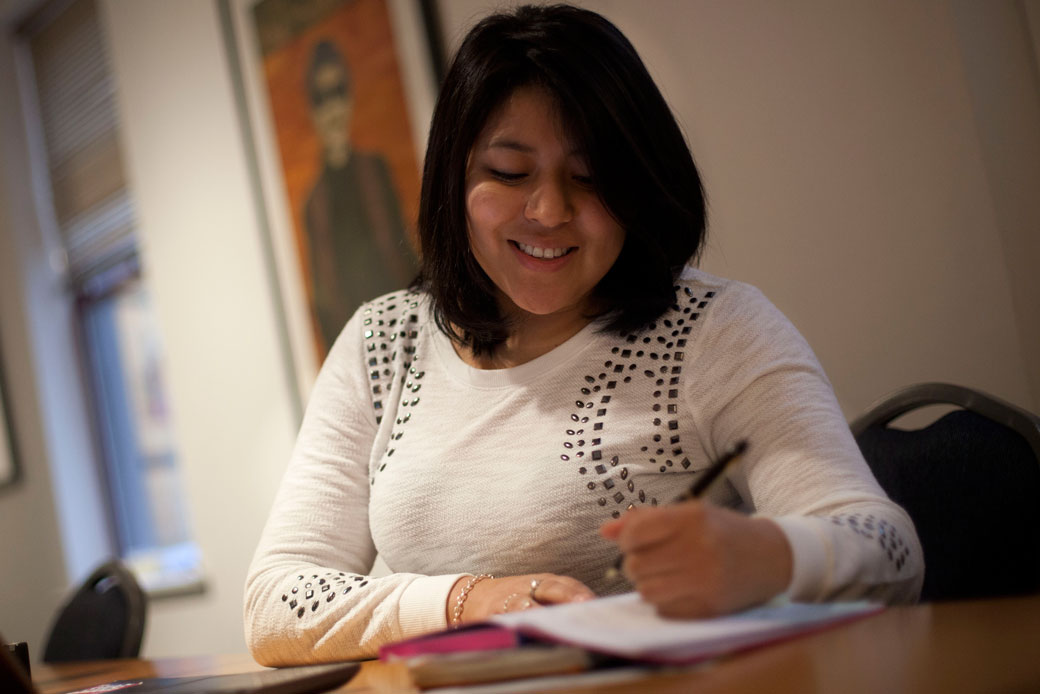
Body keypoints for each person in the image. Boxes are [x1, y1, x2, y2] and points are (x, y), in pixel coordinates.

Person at [245, 4, 922, 665]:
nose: (548, 211)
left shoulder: (716, 329)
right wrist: (466, 602)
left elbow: (889, 548)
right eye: (509, 174)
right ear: (453, 177)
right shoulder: (382, 343)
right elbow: (278, 604)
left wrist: (770, 558)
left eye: (591, 179)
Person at [303, 40, 418, 353]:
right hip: (358, 356)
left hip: (408, 334)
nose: (332, 109)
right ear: (313, 110)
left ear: (350, 98)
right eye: (322, 98)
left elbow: (405, 250)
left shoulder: (376, 170)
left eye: (338, 92)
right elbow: (323, 299)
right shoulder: (313, 205)